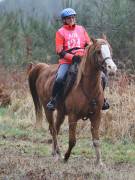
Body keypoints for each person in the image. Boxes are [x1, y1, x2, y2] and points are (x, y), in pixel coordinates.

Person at [46, 8, 109, 111]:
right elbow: (59, 50)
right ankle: (54, 100)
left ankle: (102, 99)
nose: (71, 19)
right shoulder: (60, 32)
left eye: (73, 17)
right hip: (67, 61)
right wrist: (72, 57)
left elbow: (88, 44)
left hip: (83, 60)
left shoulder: (81, 29)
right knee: (60, 78)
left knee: (102, 76)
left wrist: (88, 53)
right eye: (68, 18)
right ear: (64, 20)